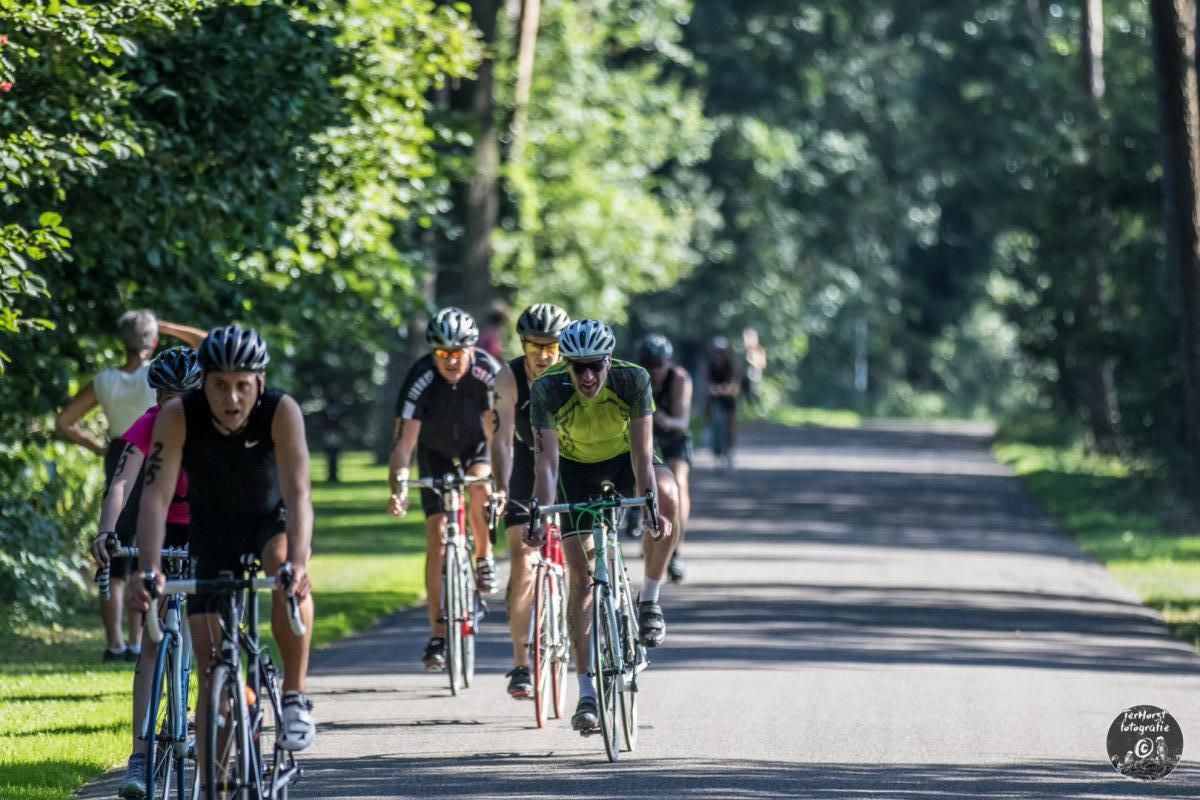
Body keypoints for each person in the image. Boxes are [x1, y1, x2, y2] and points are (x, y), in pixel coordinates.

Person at [132, 325, 317, 774]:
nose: (231, 398)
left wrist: (297, 561)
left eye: (242, 385)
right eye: (219, 385)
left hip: (269, 522)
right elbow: (154, 497)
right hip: (211, 531)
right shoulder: (178, 416)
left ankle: (293, 697)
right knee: (212, 666)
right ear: (203, 384)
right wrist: (150, 569)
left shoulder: (281, 411)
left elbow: (299, 494)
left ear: (260, 381)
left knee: (283, 572)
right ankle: (216, 778)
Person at [527, 319, 678, 734]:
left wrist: (649, 506)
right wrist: (541, 512)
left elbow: (644, 455)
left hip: (626, 459)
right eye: (579, 367)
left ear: (609, 361)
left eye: (596, 365)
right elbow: (547, 463)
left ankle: (649, 600)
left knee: (668, 495)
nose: (588, 376)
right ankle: (587, 693)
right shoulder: (547, 389)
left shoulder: (633, 380)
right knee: (581, 581)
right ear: (568, 366)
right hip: (575, 471)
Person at [56, 309, 205, 662]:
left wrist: (99, 447)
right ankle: (142, 638)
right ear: (152, 341)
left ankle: (116, 643)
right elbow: (207, 343)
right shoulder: (171, 371)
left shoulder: (106, 380)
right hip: (159, 464)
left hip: (123, 454)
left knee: (118, 560)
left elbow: (64, 421)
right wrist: (165, 326)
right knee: (149, 556)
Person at [90, 347, 201, 800]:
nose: (172, 404)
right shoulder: (148, 424)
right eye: (164, 394)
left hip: (207, 527)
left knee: (210, 627)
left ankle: (205, 716)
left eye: (182, 395)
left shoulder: (212, 425)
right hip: (163, 527)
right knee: (154, 641)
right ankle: (140, 753)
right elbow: (121, 482)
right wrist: (106, 530)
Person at [387, 307, 508, 671]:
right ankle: (438, 635)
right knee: (437, 538)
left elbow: (497, 435)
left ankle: (484, 557)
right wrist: (399, 489)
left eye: (458, 353)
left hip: (477, 445)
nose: (451, 361)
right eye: (443, 354)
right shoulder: (420, 377)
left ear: (472, 349)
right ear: (433, 353)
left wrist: (500, 485)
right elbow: (402, 446)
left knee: (479, 490)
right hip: (434, 450)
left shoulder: (488, 372)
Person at [491, 303, 570, 699]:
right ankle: (522, 662)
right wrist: (501, 486)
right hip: (526, 458)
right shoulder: (508, 377)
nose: (543, 354)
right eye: (535, 345)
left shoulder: (577, 372)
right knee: (523, 557)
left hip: (571, 459)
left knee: (581, 550)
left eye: (552, 346)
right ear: (522, 344)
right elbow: (502, 440)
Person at [637, 333, 693, 583]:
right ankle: (644, 525)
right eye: (649, 364)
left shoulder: (678, 379)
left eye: (659, 364)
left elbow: (683, 420)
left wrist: (666, 421)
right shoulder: (637, 379)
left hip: (673, 436)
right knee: (640, 474)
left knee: (678, 482)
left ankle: (676, 550)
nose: (654, 370)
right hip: (647, 435)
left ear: (667, 363)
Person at [705, 336, 741, 468]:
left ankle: (731, 450)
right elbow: (708, 383)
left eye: (721, 351)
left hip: (729, 397)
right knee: (711, 417)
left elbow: (735, 384)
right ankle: (713, 445)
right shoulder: (710, 365)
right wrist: (713, 389)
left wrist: (726, 389)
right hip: (714, 398)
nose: (719, 354)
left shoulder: (732, 365)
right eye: (717, 351)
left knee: (731, 423)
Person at [742, 327, 767, 408]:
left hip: (754, 375)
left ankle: (755, 407)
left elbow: (762, 364)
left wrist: (752, 362)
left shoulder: (759, 350)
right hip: (743, 377)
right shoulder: (743, 351)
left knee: (753, 392)